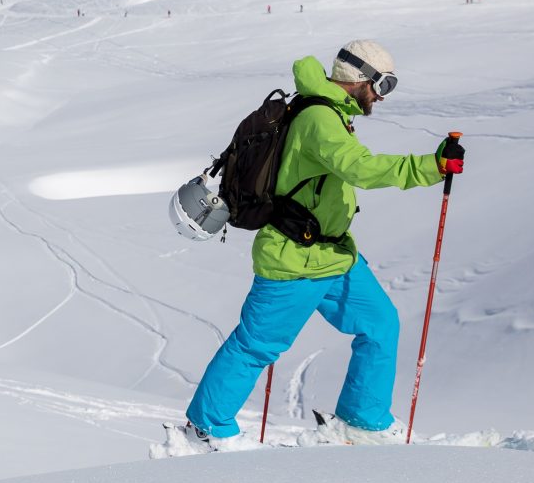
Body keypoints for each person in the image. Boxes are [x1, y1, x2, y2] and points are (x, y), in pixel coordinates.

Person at [181, 41, 465, 448]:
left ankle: (362, 420)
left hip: (334, 256)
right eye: (383, 85)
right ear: (360, 79)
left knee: (380, 324)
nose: (382, 98)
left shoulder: (328, 112)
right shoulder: (319, 118)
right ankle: (205, 428)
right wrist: (431, 167)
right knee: (255, 345)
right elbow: (360, 168)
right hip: (294, 258)